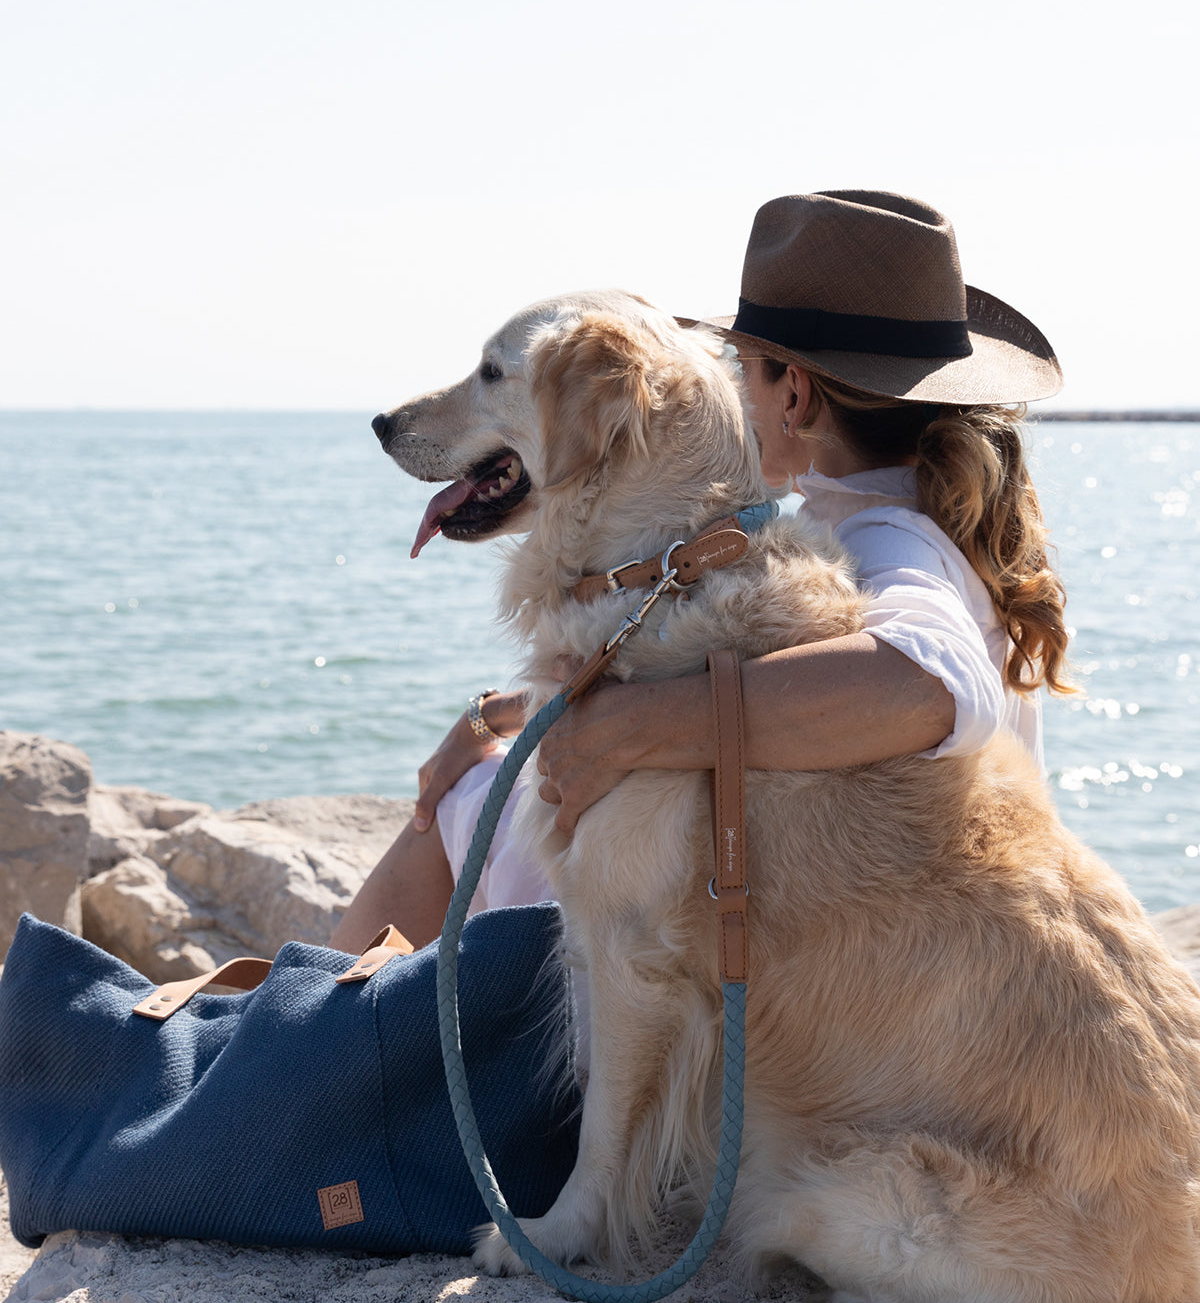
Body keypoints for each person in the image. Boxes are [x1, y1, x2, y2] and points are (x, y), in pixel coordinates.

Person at [331, 189, 1070, 955]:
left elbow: (931, 686)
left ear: (793, 395)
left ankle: (313, 1011)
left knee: (470, 798)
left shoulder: (884, 542)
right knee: (495, 780)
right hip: (858, 917)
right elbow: (762, 682)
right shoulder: (902, 520)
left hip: (848, 945)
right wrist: (506, 715)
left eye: (742, 370)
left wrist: (629, 728)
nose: (725, 395)